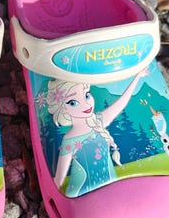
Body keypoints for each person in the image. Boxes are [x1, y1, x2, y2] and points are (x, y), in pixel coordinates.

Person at [46, 68, 149, 197]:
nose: (86, 104)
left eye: (87, 95)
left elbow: (121, 102)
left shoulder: (98, 121)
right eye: (73, 102)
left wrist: (137, 76)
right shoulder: (70, 140)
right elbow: (59, 178)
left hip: (112, 185)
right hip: (83, 191)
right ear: (63, 109)